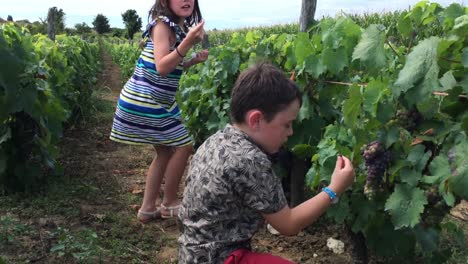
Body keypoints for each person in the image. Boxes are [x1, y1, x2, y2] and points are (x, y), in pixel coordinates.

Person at [178, 63, 355, 263]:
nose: (290, 132)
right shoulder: (249, 160)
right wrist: (334, 189)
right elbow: (289, 224)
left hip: (192, 255)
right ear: (256, 120)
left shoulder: (217, 140)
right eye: (286, 124)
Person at [109, 0, 208, 223]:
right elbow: (162, 67)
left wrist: (192, 60)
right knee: (183, 146)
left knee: (165, 152)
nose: (186, 0)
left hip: (155, 100)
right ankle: (169, 203)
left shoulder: (177, 29)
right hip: (146, 100)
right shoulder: (162, 26)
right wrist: (189, 42)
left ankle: (147, 208)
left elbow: (173, 63)